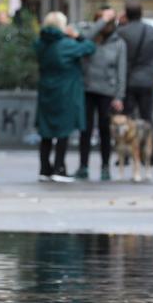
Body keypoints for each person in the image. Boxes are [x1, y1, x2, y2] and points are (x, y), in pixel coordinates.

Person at [34, 11, 95, 182]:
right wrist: (77, 35)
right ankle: (59, 167)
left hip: (46, 91)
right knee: (63, 130)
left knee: (45, 131)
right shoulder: (66, 45)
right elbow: (90, 47)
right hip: (65, 91)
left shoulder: (40, 44)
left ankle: (44, 168)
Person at [77, 7, 128, 180]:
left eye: (108, 21)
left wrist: (119, 96)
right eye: (102, 21)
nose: (105, 25)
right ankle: (83, 166)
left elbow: (121, 71)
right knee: (86, 129)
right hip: (88, 89)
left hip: (107, 91)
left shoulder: (119, 43)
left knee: (105, 130)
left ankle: (105, 166)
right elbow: (84, 38)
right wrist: (101, 21)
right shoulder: (90, 39)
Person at [116, 2, 153, 149]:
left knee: (127, 117)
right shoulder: (152, 31)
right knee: (146, 117)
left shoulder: (122, 32)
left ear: (127, 14)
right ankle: (149, 151)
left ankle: (126, 151)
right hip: (147, 79)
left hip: (128, 80)